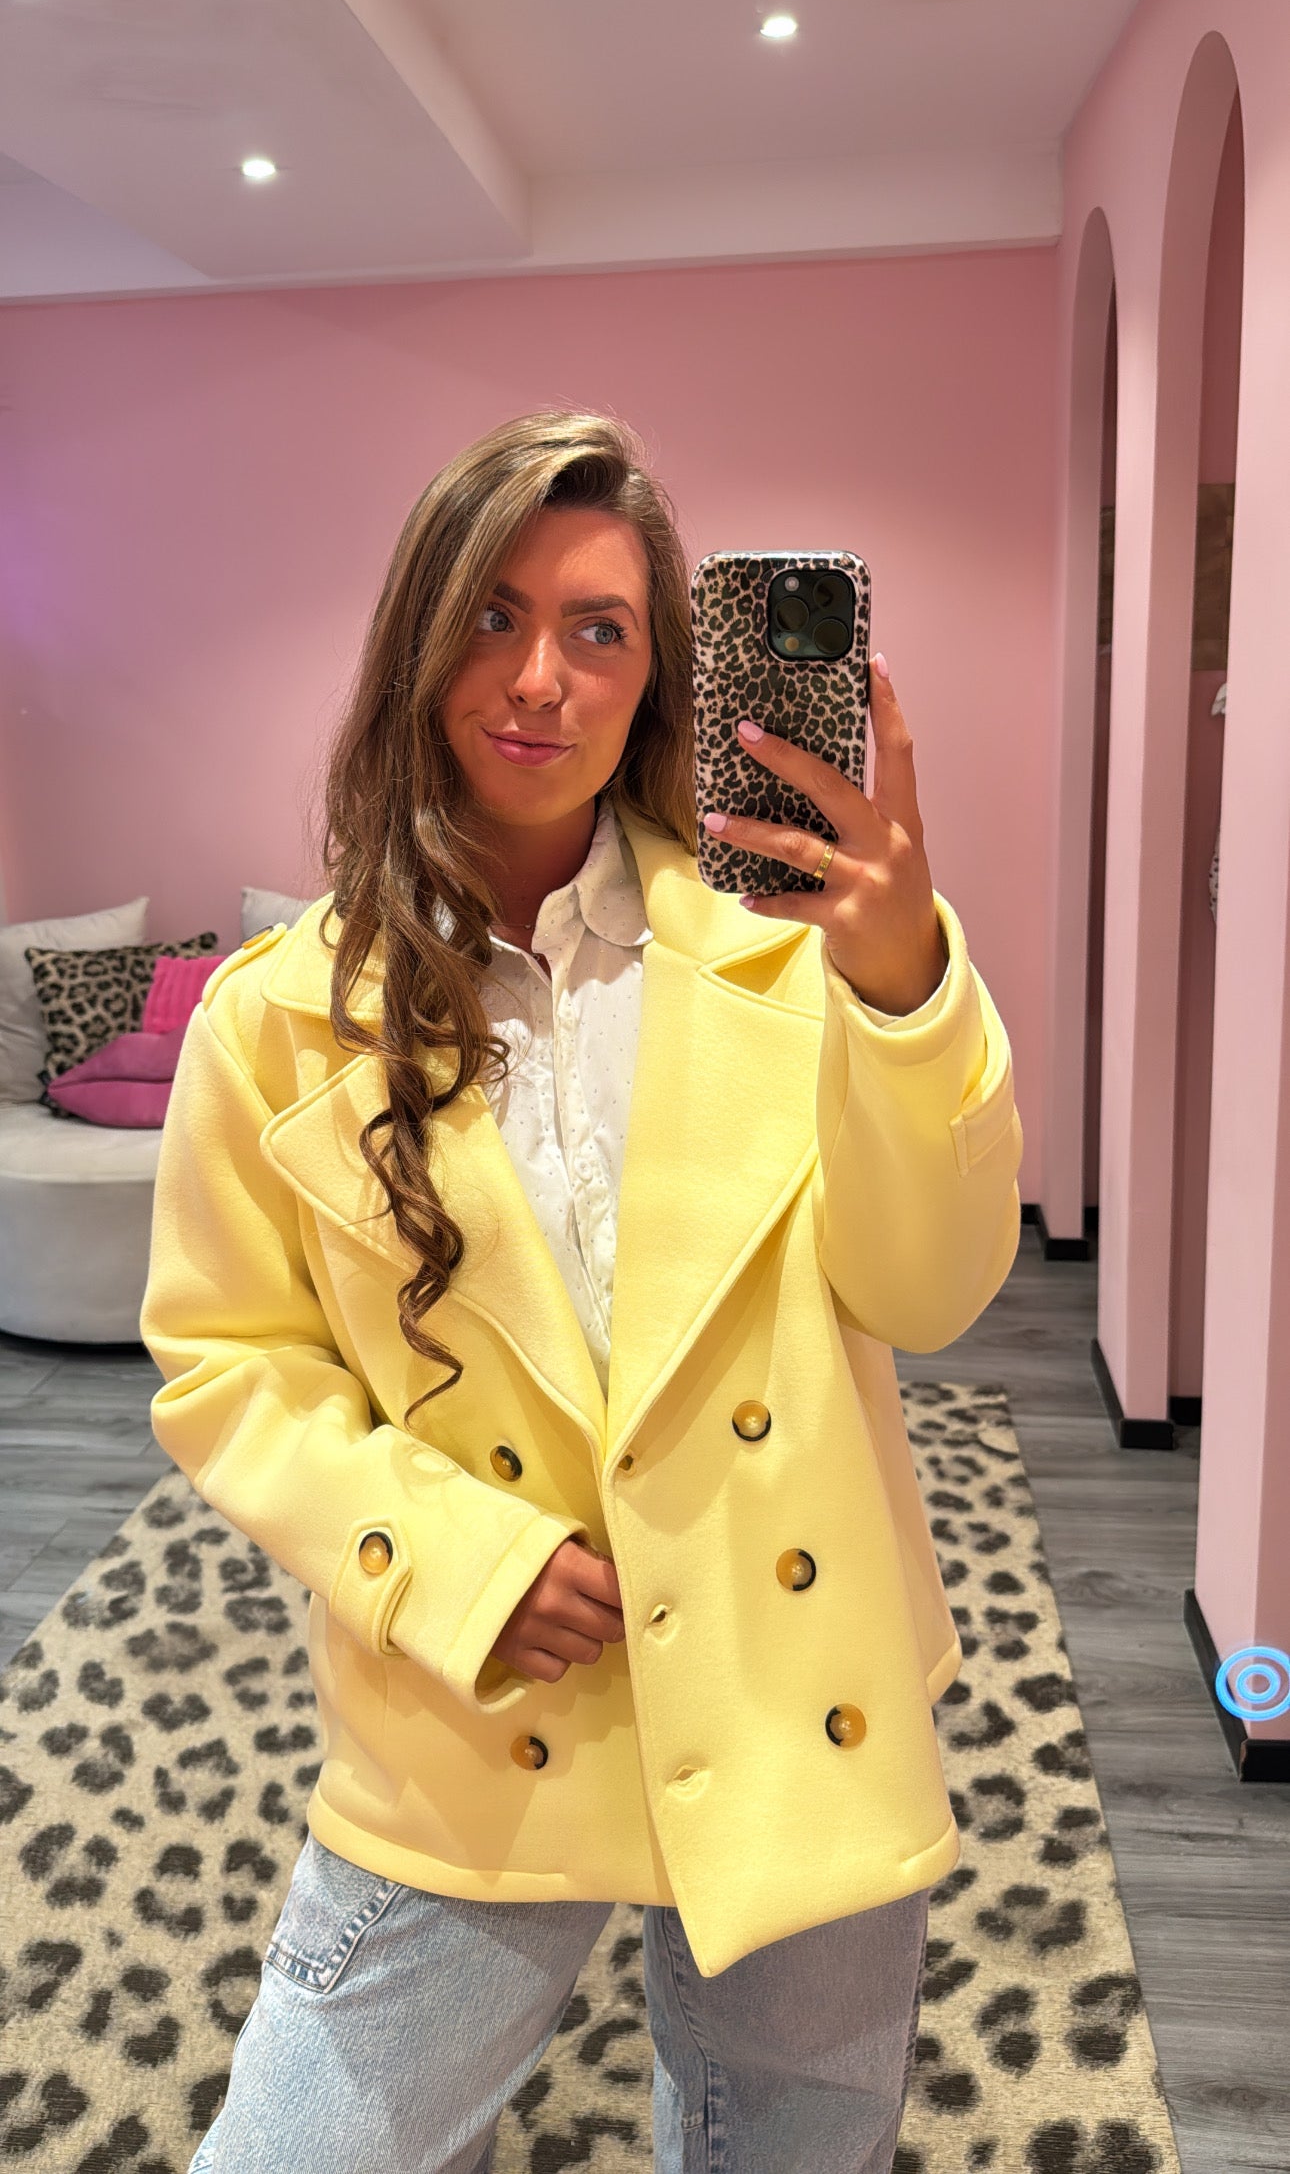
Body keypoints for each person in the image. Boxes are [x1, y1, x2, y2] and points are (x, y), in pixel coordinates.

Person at [141, 409, 1023, 2174]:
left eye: (599, 628)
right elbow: (229, 1363)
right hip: (478, 1700)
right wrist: (447, 1560)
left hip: (789, 1678)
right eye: (493, 613)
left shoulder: (805, 954)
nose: (539, 678)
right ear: (418, 639)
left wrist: (904, 986)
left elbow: (926, 1290)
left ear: (654, 676)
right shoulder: (277, 1016)